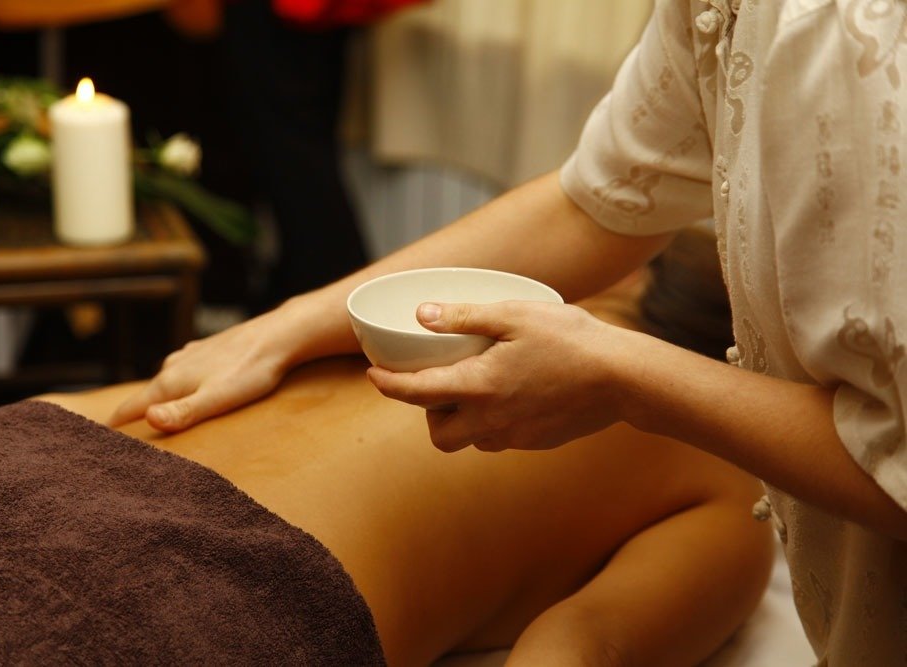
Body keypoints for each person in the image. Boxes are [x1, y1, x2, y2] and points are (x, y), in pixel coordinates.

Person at [112, 2, 907, 664]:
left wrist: (621, 376)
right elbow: (596, 201)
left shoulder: (708, 460)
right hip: (185, 586)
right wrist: (286, 325)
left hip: (87, 480)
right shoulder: (714, 486)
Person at [40, 233, 773, 664]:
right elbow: (576, 649)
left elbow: (79, 415)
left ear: (628, 269)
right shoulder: (728, 485)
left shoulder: (364, 338)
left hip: (24, 473)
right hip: (191, 604)